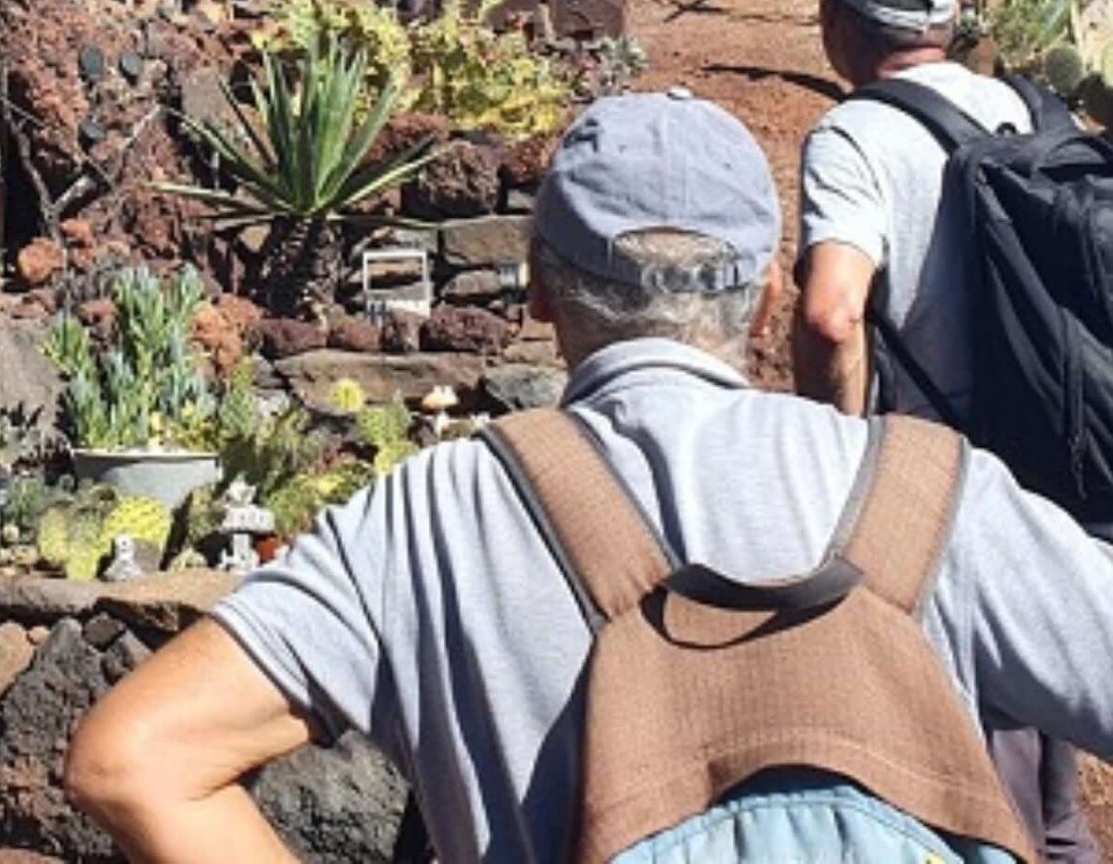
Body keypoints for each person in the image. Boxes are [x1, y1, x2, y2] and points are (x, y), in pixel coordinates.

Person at [67, 89, 1113, 864]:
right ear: (761, 298)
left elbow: (132, 757)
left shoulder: (432, 513)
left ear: (533, 289)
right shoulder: (932, 488)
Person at [795, 0, 1100, 861]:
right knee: (1055, 789)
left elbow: (831, 315)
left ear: (836, 18)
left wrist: (828, 451)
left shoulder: (853, 134)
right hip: (1067, 450)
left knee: (982, 781)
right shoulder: (1036, 108)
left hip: (943, 485)